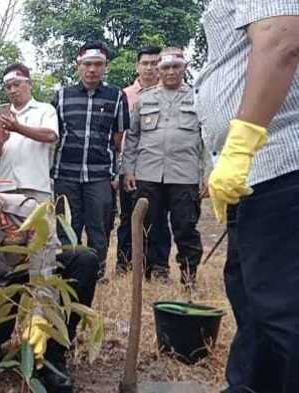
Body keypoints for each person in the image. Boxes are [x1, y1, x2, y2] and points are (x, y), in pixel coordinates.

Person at [195, 2, 299, 392]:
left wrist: (242, 144)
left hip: (281, 163)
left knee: (283, 312)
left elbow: (281, 39)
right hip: (258, 174)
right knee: (255, 308)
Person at [0, 172, 98, 393]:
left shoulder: (27, 213)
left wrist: (40, 315)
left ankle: (52, 357)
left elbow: (45, 271)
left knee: (84, 260)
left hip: (30, 277)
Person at [122, 48, 205, 285]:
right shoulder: (144, 99)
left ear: (184, 69)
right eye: (165, 68)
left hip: (185, 175)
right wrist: (128, 169)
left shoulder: (197, 98)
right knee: (152, 226)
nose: (170, 72)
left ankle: (189, 274)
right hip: (149, 173)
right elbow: (133, 137)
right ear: (159, 70)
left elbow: (207, 139)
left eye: (175, 67)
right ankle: (157, 271)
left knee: (185, 226)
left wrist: (208, 173)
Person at [51, 41, 129, 279]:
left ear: (105, 67)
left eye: (98, 64)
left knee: (99, 227)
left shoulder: (116, 96)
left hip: (99, 175)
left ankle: (96, 273)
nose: (92, 69)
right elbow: (55, 134)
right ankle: (68, 272)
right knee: (67, 226)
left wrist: (115, 173)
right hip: (66, 173)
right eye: (87, 64)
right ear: (78, 66)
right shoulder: (62, 96)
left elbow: (118, 139)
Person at [118, 46, 172, 273]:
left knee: (158, 218)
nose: (149, 68)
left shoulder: (172, 93)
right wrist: (122, 169)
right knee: (129, 217)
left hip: (162, 169)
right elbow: (120, 135)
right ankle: (126, 264)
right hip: (131, 167)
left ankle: (157, 267)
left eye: (154, 63)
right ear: (137, 66)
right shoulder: (124, 95)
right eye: (145, 63)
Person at [0, 63, 59, 203]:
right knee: (6, 225)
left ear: (30, 84)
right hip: (5, 187)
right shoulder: (1, 118)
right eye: (8, 87)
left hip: (36, 186)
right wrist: (0, 141)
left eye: (17, 84)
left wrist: (18, 128)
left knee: (37, 225)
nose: (13, 90)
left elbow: (51, 135)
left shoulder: (45, 110)